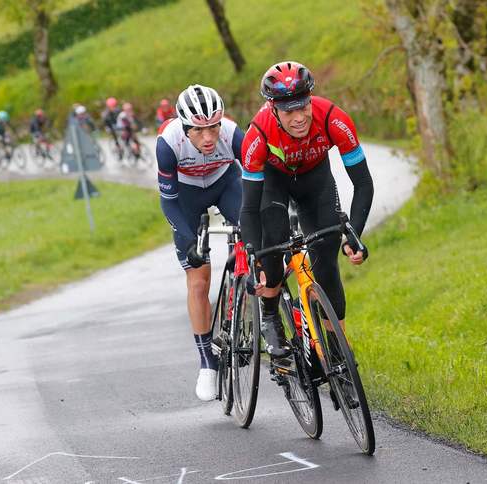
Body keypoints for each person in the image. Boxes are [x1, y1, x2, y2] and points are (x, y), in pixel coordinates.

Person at [240, 61, 374, 366]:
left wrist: (355, 234)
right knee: (272, 245)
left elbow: (363, 184)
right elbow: (249, 207)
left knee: (326, 256)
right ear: (273, 108)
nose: (299, 117)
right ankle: (271, 314)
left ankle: (336, 343)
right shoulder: (258, 133)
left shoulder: (332, 118)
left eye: (303, 107)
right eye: (289, 111)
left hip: (317, 182)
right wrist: (254, 259)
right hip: (274, 185)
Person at [156, 84, 245, 401]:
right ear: (184, 127)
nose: (209, 138)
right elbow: (169, 203)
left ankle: (257, 308)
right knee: (198, 279)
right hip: (187, 196)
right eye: (199, 130)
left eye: (213, 127)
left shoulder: (233, 134)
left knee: (255, 231)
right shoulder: (168, 143)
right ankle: (208, 362)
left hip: (225, 183)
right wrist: (192, 240)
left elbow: (260, 179)